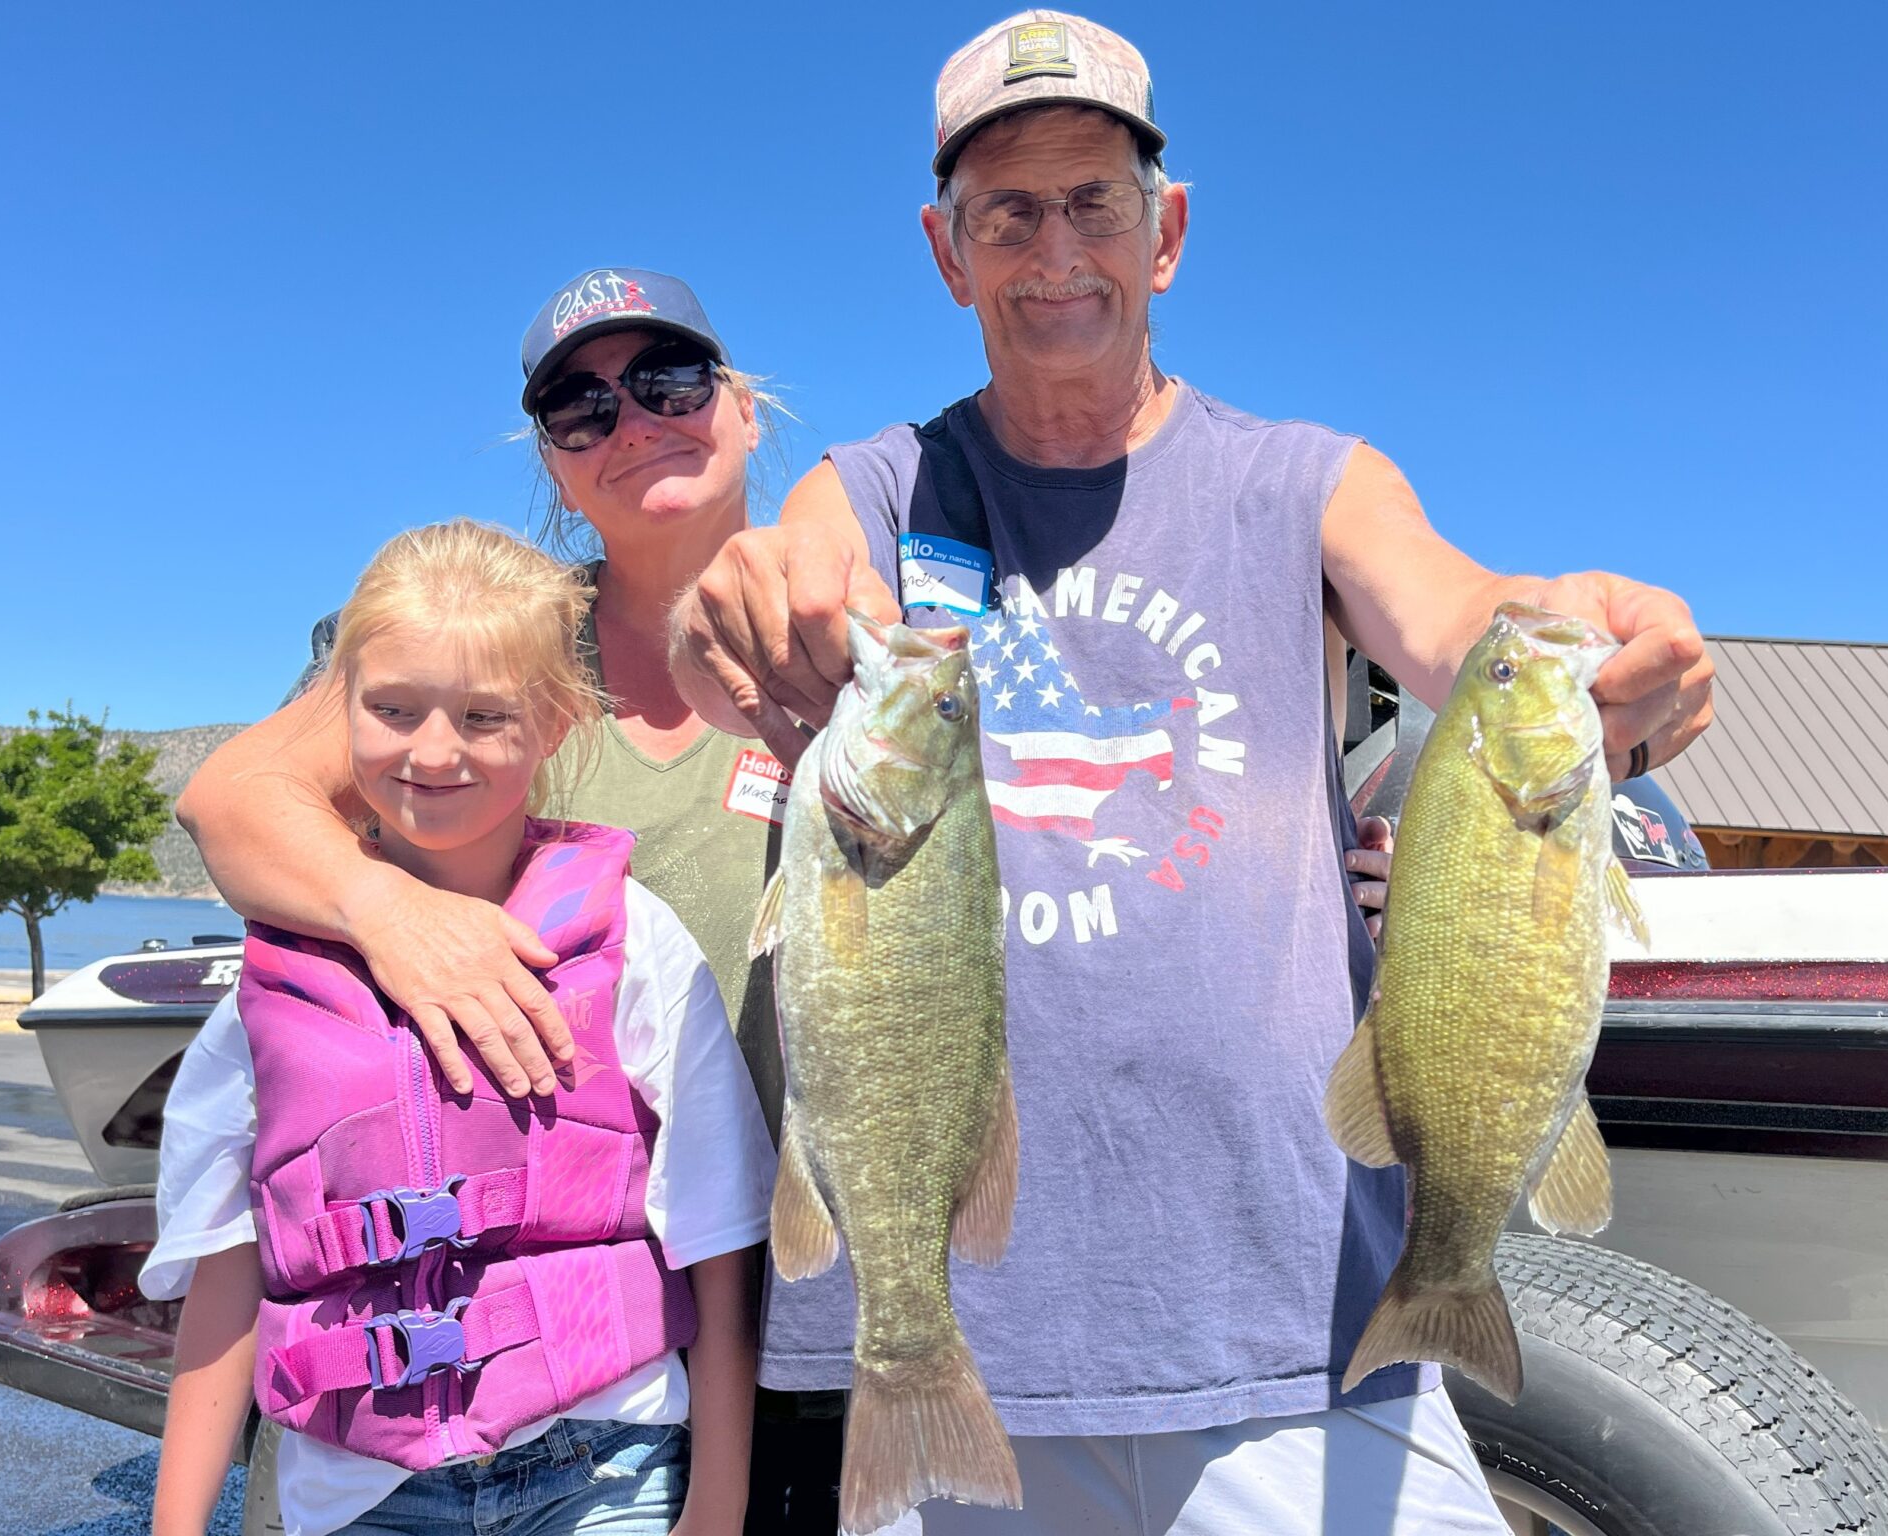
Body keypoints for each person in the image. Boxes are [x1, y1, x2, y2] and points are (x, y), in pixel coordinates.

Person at [664, 11, 1717, 1535]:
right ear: (945, 252)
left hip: (1297, 1302)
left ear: (1166, 231)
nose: (1054, 252)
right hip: (968, 1332)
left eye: (1093, 202)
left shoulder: (1306, 479)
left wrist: (1584, 627)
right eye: (1005, 213)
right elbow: (760, 605)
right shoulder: (884, 484)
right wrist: (744, 613)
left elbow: (1447, 615)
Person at [175, 271, 869, 1534]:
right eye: (577, 408)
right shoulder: (497, 646)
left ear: (746, 409)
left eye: (668, 380)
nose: (631, 421)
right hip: (497, 1385)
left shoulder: (838, 628)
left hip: (820, 1327)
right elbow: (232, 800)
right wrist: (388, 911)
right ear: (551, 464)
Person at [146, 520, 775, 1536]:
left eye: (485, 717)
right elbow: (226, 1262)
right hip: (357, 1492)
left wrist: (720, 1498)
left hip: (603, 1467)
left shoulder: (635, 943)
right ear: (339, 707)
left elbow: (716, 1224)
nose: (433, 750)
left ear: (558, 724)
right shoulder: (273, 979)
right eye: (392, 709)